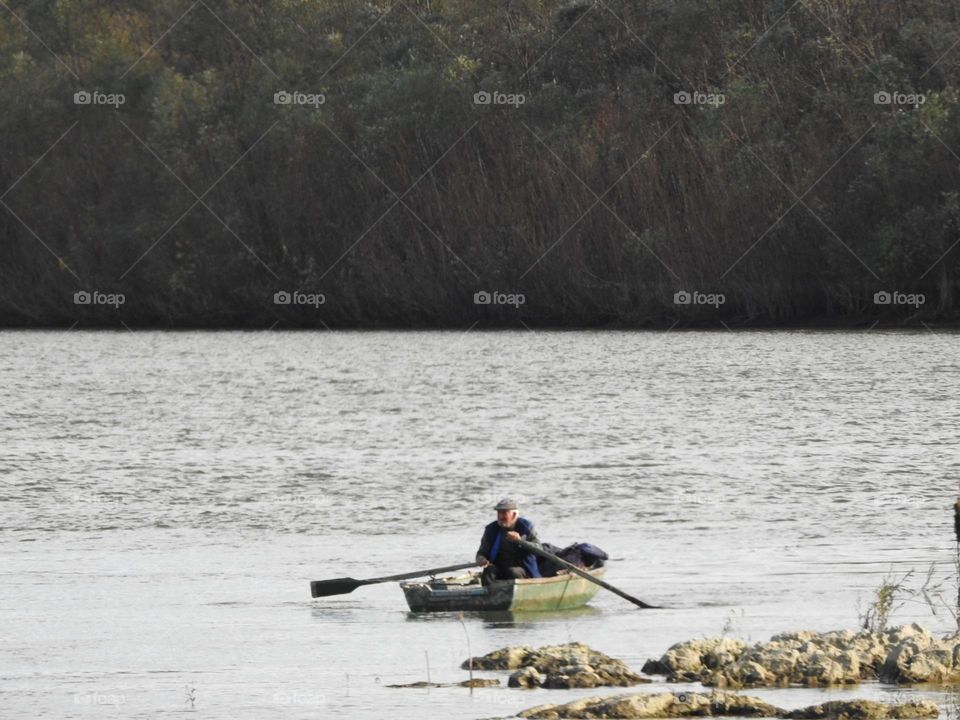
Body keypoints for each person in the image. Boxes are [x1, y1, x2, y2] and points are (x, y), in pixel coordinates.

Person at [475, 498, 542, 585]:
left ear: (514, 514)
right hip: (499, 568)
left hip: (522, 569)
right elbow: (482, 552)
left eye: (504, 513)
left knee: (513, 572)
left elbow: (539, 549)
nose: (500, 516)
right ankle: (490, 595)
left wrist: (520, 541)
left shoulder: (526, 527)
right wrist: (481, 559)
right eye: (499, 513)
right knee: (488, 571)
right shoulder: (491, 529)